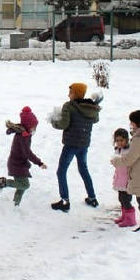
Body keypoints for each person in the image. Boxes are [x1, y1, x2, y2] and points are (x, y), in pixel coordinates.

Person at [50, 83, 101, 211]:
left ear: (76, 94)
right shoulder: (91, 107)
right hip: (84, 144)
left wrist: (53, 121)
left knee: (61, 171)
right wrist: (95, 105)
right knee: (83, 169)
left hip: (71, 144)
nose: (68, 95)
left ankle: (65, 201)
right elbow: (95, 120)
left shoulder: (69, 106)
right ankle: (92, 198)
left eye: (71, 92)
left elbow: (63, 124)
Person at [0, 107, 47, 206]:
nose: (34, 129)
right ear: (28, 126)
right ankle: (2, 182)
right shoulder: (24, 136)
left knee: (21, 185)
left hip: (19, 164)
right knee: (25, 185)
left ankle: (16, 204)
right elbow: (28, 153)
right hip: (16, 165)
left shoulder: (23, 133)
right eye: (33, 127)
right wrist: (39, 163)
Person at [111, 128, 135, 228]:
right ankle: (124, 216)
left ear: (126, 140)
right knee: (121, 198)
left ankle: (130, 219)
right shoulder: (118, 150)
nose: (119, 142)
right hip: (120, 179)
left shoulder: (129, 151)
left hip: (127, 180)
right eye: (117, 140)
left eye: (122, 140)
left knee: (126, 200)